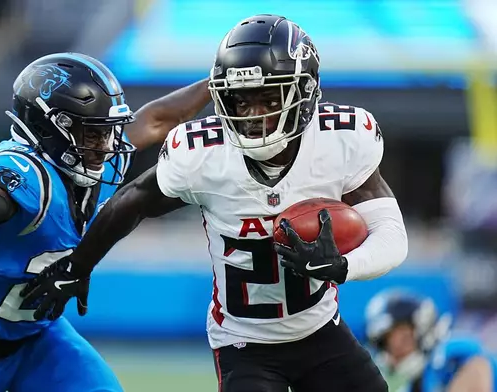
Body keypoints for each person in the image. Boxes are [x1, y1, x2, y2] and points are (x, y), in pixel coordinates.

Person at [20, 15, 409, 392]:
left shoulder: (340, 141)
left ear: (304, 93)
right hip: (244, 344)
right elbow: (135, 199)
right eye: (241, 101)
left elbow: (391, 234)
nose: (254, 115)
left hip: (320, 329)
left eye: (267, 97)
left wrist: (344, 266)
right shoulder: (203, 154)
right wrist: (80, 262)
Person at [0, 52, 211, 392]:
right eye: (92, 134)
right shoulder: (26, 172)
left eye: (107, 132)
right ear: (50, 128)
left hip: (38, 337)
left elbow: (156, 119)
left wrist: (216, 83)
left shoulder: (97, 163)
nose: (107, 147)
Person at [366, 289, 497, 392]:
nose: (395, 347)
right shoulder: (416, 385)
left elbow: (478, 367)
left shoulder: (448, 355)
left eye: (403, 337)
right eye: (387, 342)